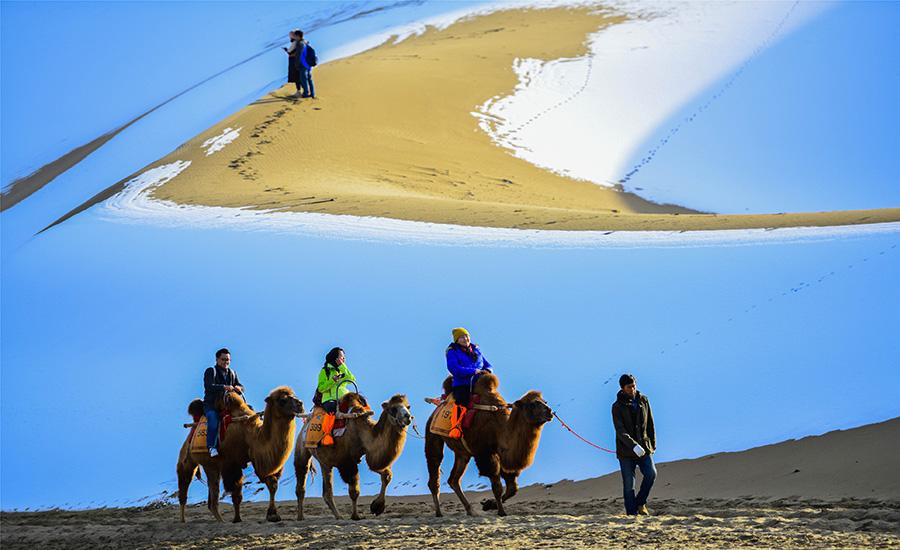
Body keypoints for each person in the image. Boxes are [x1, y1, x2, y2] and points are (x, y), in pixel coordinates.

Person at [611, 373, 657, 516]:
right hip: (626, 452)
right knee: (629, 485)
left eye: (634, 386)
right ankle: (632, 514)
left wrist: (652, 444)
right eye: (629, 387)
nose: (633, 389)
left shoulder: (644, 400)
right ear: (622, 388)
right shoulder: (617, 407)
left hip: (644, 448)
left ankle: (640, 503)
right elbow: (620, 430)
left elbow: (650, 422)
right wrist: (633, 446)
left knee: (651, 474)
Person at [445, 327, 492, 438]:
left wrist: (488, 371)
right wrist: (473, 371)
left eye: (466, 336)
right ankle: (456, 427)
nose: (465, 339)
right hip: (463, 384)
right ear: (457, 340)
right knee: (462, 401)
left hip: (480, 383)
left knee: (493, 398)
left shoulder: (476, 350)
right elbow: (454, 369)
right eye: (461, 337)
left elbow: (487, 364)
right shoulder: (452, 352)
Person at [203, 348, 244, 457]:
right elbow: (209, 386)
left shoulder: (232, 373)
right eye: (223, 359)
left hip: (229, 405)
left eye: (228, 360)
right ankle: (211, 446)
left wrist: (239, 388)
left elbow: (241, 386)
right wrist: (224, 387)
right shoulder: (211, 371)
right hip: (212, 405)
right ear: (217, 359)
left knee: (248, 412)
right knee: (213, 418)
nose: (226, 362)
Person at [316, 347, 356, 445]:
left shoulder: (342, 370)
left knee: (359, 407)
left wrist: (343, 366)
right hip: (330, 399)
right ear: (335, 358)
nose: (344, 359)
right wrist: (332, 381)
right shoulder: (325, 371)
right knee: (332, 409)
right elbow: (321, 388)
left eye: (344, 358)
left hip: (344, 398)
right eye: (342, 357)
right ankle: (327, 435)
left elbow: (351, 379)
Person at [295, 30, 316, 98]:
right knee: (309, 79)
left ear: (298, 36)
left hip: (303, 65)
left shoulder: (299, 44)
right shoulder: (305, 42)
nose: (294, 37)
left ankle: (306, 94)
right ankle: (312, 93)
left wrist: (297, 65)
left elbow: (299, 56)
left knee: (303, 80)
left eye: (295, 36)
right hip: (308, 64)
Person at [283, 30, 302, 97]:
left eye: (290, 36)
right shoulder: (299, 42)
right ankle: (302, 91)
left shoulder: (295, 43)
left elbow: (290, 52)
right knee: (298, 76)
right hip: (297, 61)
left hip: (294, 61)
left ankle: (299, 92)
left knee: (296, 77)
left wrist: (286, 50)